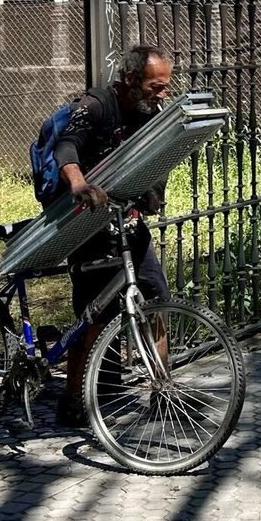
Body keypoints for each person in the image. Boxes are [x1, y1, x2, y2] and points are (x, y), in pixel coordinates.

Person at [48, 43, 174, 425]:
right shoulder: (97, 105)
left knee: (157, 300)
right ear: (131, 80)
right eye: (155, 86)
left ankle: (164, 392)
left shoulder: (147, 112)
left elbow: (157, 158)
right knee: (91, 315)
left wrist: (154, 194)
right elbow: (65, 147)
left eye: (165, 86)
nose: (162, 94)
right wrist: (78, 185)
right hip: (87, 223)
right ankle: (72, 400)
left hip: (126, 222)